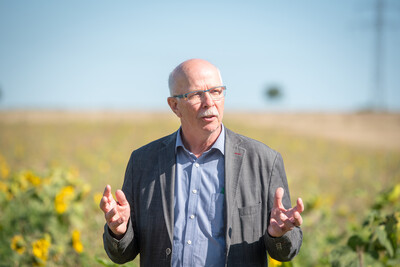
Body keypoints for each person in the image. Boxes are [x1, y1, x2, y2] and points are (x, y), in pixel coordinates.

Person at [100, 59, 304, 266]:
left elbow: (287, 251)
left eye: (216, 91)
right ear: (174, 106)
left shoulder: (264, 161)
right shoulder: (143, 161)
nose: (209, 102)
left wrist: (279, 235)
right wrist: (119, 231)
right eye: (196, 94)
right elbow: (122, 254)